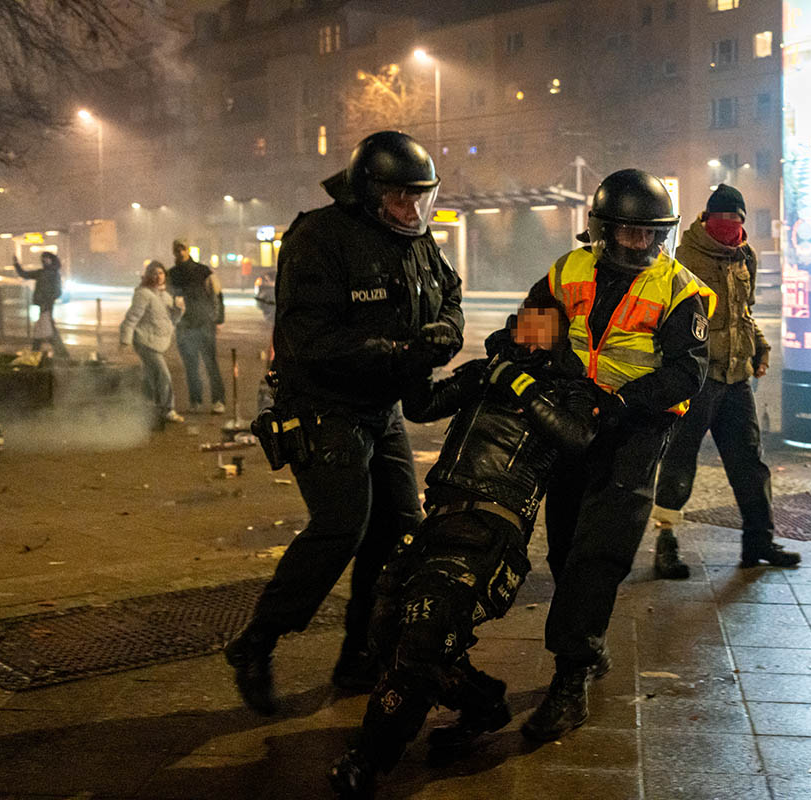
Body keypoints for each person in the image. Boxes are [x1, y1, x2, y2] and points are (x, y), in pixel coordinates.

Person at [225, 130, 464, 713]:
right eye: (400, 198)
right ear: (367, 192)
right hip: (321, 406)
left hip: (379, 409)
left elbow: (449, 293)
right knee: (341, 526)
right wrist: (397, 351)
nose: (413, 211)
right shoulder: (321, 237)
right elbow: (308, 339)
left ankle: (360, 652)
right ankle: (258, 640)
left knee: (401, 527)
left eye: (421, 197)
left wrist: (447, 332)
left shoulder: (417, 241)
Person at [328, 301, 602, 799]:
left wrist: (520, 387)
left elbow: (577, 438)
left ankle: (368, 760)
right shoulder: (485, 373)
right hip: (441, 518)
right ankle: (482, 705)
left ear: (563, 336)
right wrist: (417, 358)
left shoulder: (570, 390)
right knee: (387, 627)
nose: (529, 330)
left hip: (494, 527)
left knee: (425, 633)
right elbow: (421, 406)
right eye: (524, 319)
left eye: (544, 324)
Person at [517, 169, 716, 742]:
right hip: (575, 422)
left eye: (651, 233)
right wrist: (517, 345)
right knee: (563, 548)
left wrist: (623, 402)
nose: (640, 243)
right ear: (603, 231)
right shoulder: (569, 270)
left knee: (597, 554)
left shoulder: (682, 289)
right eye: (628, 232)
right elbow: (540, 328)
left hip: (636, 431)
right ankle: (588, 644)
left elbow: (688, 372)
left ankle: (571, 678)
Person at [652, 185, 800, 577]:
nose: (731, 227)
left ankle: (759, 542)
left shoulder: (744, 257)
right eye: (724, 220)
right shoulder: (684, 259)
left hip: (736, 379)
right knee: (679, 463)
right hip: (696, 381)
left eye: (737, 220)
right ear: (707, 219)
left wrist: (759, 347)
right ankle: (665, 544)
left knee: (749, 464)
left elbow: (743, 315)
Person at [119, 260, 185, 424]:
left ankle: (149, 408)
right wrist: (125, 340)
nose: (158, 277)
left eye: (161, 273)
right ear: (148, 276)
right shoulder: (143, 294)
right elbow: (132, 318)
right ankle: (168, 409)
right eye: (154, 273)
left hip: (158, 342)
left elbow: (171, 321)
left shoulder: (165, 296)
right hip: (145, 341)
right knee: (163, 375)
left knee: (151, 376)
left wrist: (179, 311)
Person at [168, 239, 226, 414]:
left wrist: (218, 319)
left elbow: (216, 295)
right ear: (174, 252)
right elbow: (167, 300)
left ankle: (218, 400)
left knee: (211, 364)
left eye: (183, 249)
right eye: (177, 249)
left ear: (188, 250)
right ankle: (196, 401)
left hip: (204, 324)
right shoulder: (171, 274)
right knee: (191, 366)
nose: (181, 252)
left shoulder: (203, 271)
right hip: (184, 326)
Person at [13, 251, 69, 359]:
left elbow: (57, 291)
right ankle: (60, 352)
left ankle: (36, 351)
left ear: (51, 259)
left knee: (43, 328)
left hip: (46, 305)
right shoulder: (42, 272)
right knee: (47, 328)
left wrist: (47, 300)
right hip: (43, 304)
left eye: (47, 258)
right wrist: (16, 264)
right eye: (43, 258)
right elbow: (24, 274)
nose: (44, 260)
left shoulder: (53, 274)